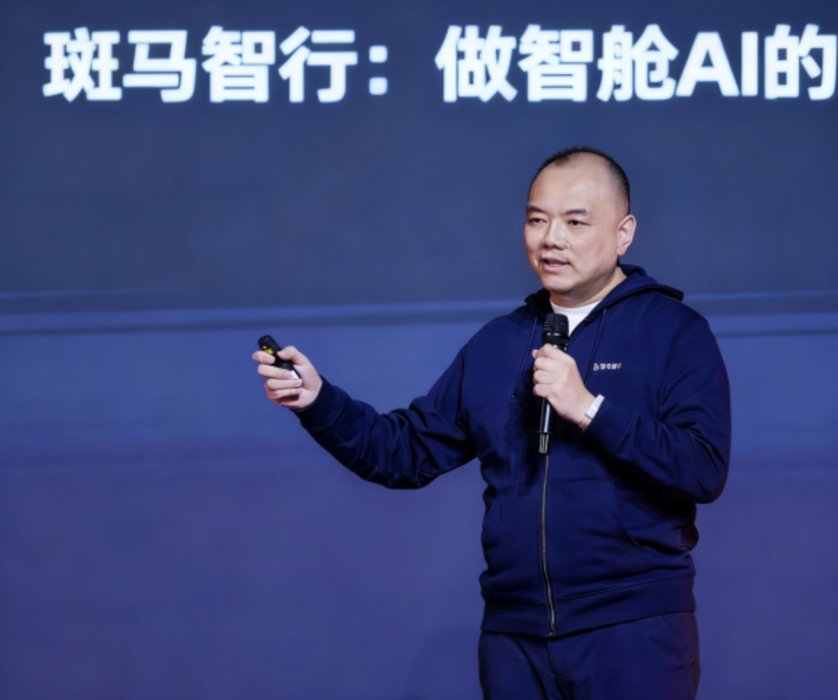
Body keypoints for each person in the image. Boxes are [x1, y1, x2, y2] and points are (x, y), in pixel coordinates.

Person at [254, 147, 731, 700]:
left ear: (623, 233)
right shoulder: (499, 343)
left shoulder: (672, 331)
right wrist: (317, 400)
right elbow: (403, 452)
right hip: (515, 637)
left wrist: (589, 408)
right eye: (537, 220)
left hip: (631, 626)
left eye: (575, 222)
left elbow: (702, 467)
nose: (551, 239)